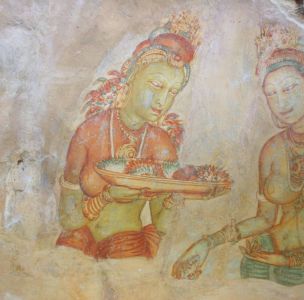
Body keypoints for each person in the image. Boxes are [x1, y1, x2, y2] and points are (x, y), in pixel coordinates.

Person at [172, 24, 304, 286]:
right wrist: (208, 242)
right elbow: (265, 219)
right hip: (261, 254)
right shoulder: (271, 150)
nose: (282, 102)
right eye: (271, 94)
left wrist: (295, 260)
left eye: (289, 88)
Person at [56, 12, 202, 259]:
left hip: (125, 241)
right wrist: (105, 197)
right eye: (156, 85)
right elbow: (68, 219)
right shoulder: (89, 132)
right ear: (131, 79)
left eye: (172, 92)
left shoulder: (162, 144)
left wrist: (175, 195)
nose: (163, 101)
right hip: (77, 236)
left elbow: (163, 225)